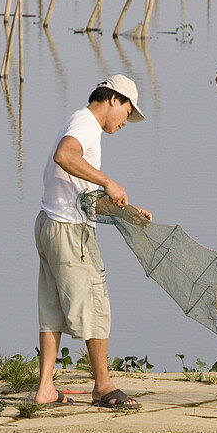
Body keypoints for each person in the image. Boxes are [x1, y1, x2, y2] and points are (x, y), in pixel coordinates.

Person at [34, 75, 151, 409]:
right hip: (70, 233)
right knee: (96, 305)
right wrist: (109, 181)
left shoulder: (78, 122)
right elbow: (64, 155)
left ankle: (45, 389)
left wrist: (127, 211)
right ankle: (102, 386)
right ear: (113, 100)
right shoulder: (86, 124)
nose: (126, 121)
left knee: (52, 310)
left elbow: (81, 196)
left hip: (49, 224)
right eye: (128, 112)